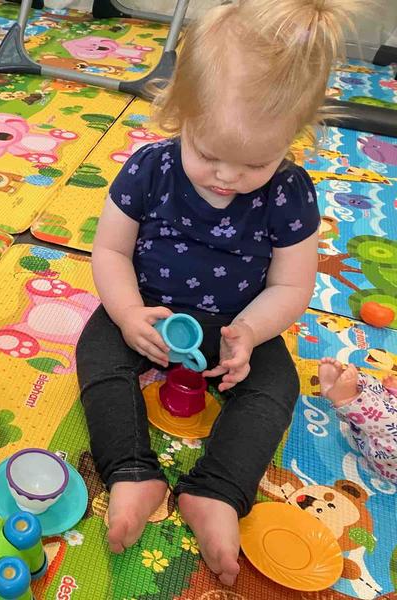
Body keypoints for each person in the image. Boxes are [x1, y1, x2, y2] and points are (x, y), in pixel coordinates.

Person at [76, 0, 360, 586]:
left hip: (239, 324)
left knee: (278, 387)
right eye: (207, 153)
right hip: (149, 308)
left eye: (255, 162)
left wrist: (252, 332)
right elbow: (108, 252)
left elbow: (291, 284)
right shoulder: (148, 169)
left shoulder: (289, 193)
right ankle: (131, 470)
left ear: (293, 137)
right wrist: (128, 315)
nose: (226, 177)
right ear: (179, 111)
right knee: (97, 352)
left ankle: (218, 491)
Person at [318, 358, 397, 482]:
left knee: (390, 420)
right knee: (377, 388)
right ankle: (338, 388)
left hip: (388, 455)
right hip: (369, 428)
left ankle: (347, 397)